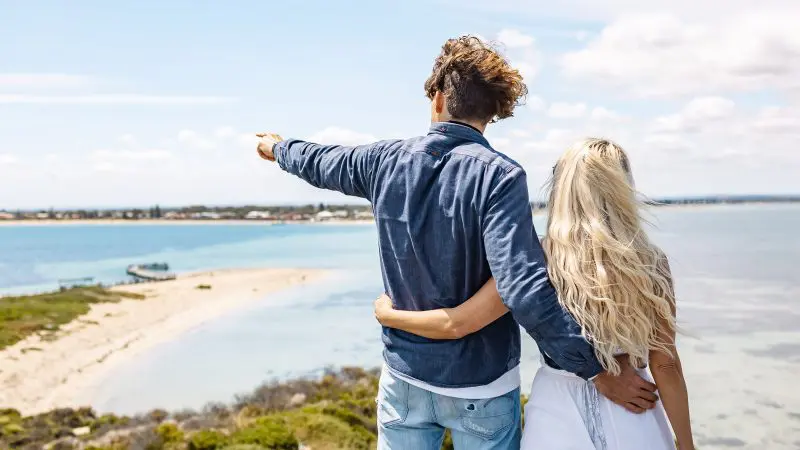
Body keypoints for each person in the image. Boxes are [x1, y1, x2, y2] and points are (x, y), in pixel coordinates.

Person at [255, 36, 657, 449]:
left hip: (404, 376)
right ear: (494, 113)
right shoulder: (500, 176)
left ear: (438, 98)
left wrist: (278, 147)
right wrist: (596, 370)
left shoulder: (383, 162)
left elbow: (320, 161)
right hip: (480, 387)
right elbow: (523, 288)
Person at [374, 138, 695, 449]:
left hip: (557, 410)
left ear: (561, 189)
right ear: (623, 188)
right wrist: (687, 444)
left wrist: (391, 316)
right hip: (635, 408)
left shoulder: (535, 259)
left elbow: (459, 323)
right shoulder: (651, 262)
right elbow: (665, 365)